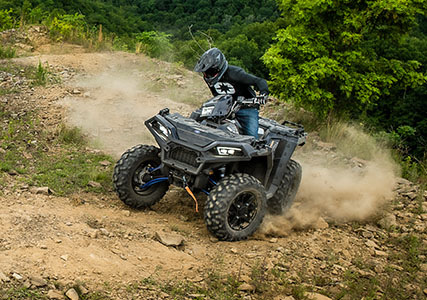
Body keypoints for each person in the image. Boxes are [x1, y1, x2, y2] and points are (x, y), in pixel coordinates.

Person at [194, 48, 269, 138]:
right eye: (205, 72)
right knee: (200, 121)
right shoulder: (208, 78)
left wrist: (263, 95)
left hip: (246, 108)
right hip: (223, 107)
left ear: (218, 67)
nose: (207, 74)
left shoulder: (235, 73)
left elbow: (259, 81)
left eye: (210, 71)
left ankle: (255, 149)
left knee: (251, 136)